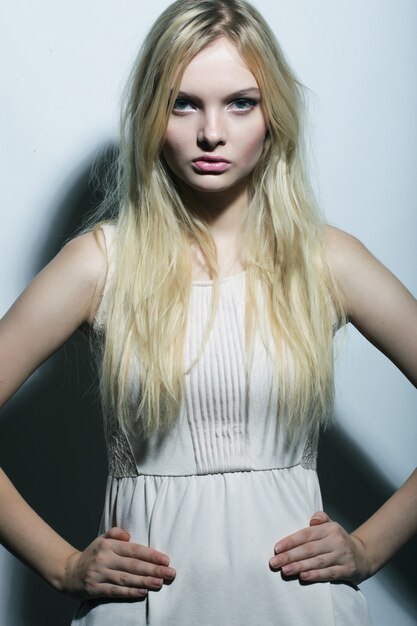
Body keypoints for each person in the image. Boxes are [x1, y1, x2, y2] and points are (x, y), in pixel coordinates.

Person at [0, 0, 416, 624]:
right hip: (144, 610)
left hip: (300, 609)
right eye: (183, 102)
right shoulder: (100, 264)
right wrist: (63, 565)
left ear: (273, 114)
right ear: (151, 114)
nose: (211, 132)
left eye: (240, 103)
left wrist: (368, 546)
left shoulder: (328, 261)